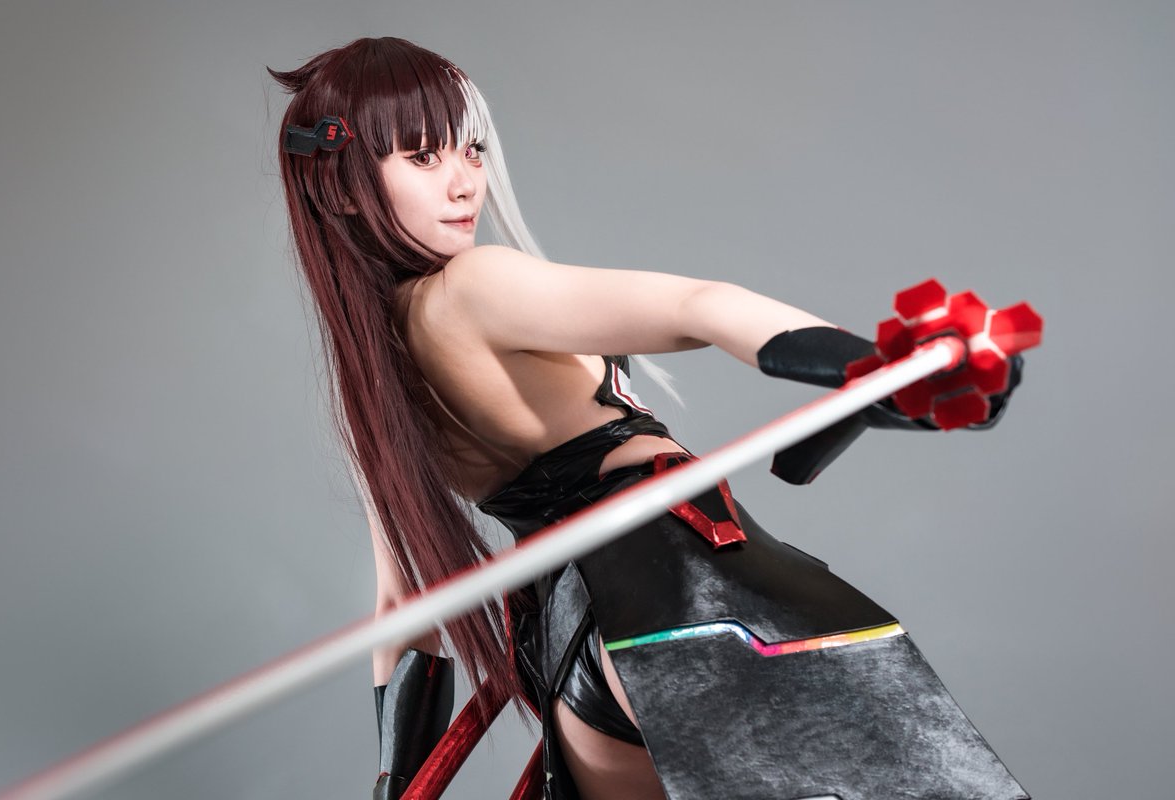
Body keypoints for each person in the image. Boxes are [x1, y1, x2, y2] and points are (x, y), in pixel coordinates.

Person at [269, 37, 1029, 800]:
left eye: (470, 150)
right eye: (422, 157)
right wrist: (871, 365)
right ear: (340, 187)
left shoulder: (371, 386)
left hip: (569, 660)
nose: (465, 182)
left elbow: (405, 612)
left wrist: (399, 780)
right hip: (682, 596)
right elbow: (696, 307)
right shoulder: (472, 287)